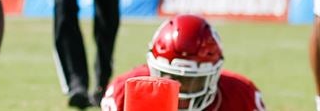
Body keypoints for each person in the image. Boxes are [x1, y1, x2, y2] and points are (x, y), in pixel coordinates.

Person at [101, 15, 266, 111]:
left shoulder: (241, 96)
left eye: (191, 81)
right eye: (170, 78)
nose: (180, 93)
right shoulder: (125, 92)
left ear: (214, 75)